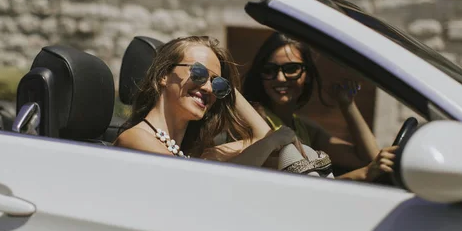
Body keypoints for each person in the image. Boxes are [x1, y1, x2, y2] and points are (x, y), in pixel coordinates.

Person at [114, 36, 305, 166]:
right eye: (198, 73)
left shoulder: (195, 154)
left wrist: (224, 83)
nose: (208, 88)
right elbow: (198, 184)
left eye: (216, 84)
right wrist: (270, 143)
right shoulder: (135, 139)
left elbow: (261, 137)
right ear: (164, 75)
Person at [242, 32, 397, 181]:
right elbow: (301, 185)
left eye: (291, 69)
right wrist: (363, 174)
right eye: (269, 70)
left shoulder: (303, 127)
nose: (280, 78)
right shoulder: (258, 122)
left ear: (308, 74)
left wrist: (347, 104)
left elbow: (366, 157)